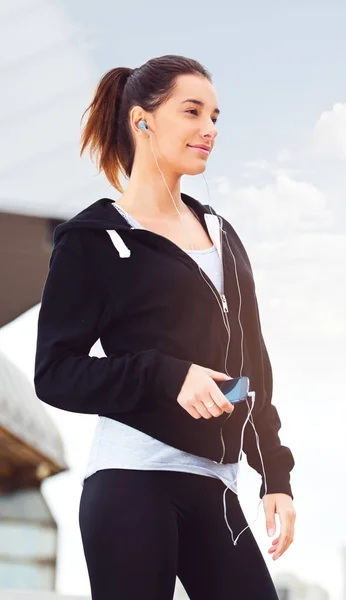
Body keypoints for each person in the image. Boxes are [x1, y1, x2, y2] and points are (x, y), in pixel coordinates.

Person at [34, 54, 296, 600]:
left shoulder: (222, 235)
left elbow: (254, 367)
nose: (210, 130)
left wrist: (275, 475)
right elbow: (56, 373)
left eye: (216, 117)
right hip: (133, 478)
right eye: (193, 112)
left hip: (217, 489)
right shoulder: (92, 239)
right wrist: (166, 375)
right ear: (143, 120)